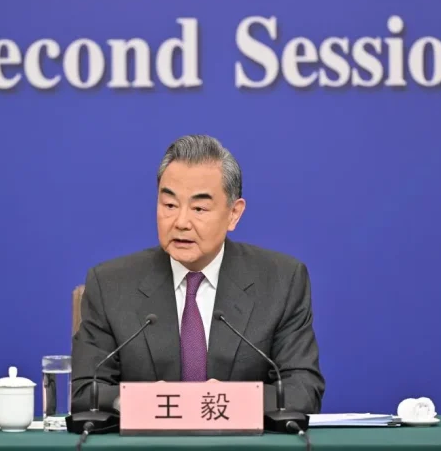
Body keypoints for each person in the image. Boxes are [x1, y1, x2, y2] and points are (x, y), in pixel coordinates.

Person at [71, 135, 325, 414]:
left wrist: (228, 400)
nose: (181, 222)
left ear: (234, 214)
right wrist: (149, 400)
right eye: (169, 205)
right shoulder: (110, 285)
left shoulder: (281, 281)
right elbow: (85, 391)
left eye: (199, 209)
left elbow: (303, 389)